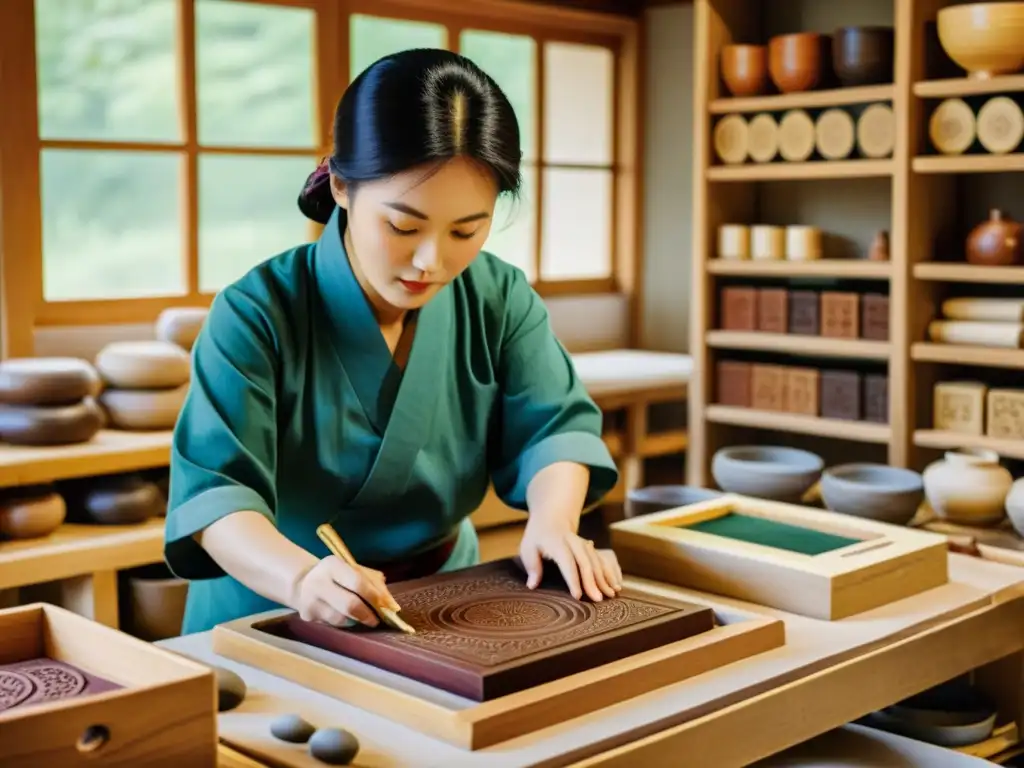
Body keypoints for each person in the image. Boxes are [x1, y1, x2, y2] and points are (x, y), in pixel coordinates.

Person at [163, 48, 622, 636]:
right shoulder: (257, 312)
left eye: (466, 229)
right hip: (273, 606)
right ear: (342, 187)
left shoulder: (500, 297)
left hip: (443, 605)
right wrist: (303, 579)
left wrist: (554, 522)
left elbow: (555, 428)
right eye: (403, 226)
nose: (432, 260)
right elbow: (215, 496)